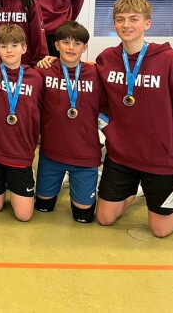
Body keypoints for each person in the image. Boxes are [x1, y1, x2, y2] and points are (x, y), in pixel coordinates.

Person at [95, 0, 173, 238]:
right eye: (120, 19)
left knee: (160, 229)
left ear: (147, 23)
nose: (126, 25)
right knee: (104, 218)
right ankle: (137, 191)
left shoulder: (170, 60)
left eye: (133, 19)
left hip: (159, 157)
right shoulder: (107, 59)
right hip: (121, 154)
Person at [33, 21, 103, 224]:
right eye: (65, 42)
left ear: (85, 47)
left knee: (83, 217)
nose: (71, 48)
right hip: (51, 155)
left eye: (77, 43)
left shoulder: (97, 74)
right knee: (43, 208)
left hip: (85, 156)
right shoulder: (43, 71)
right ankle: (61, 180)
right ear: (56, 45)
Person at [0, 24, 43, 222]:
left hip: (19, 152)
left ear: (24, 48)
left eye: (14, 45)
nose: (9, 50)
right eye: (4, 46)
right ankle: (3, 183)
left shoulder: (36, 78)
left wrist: (53, 59)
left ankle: (20, 180)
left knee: (24, 216)